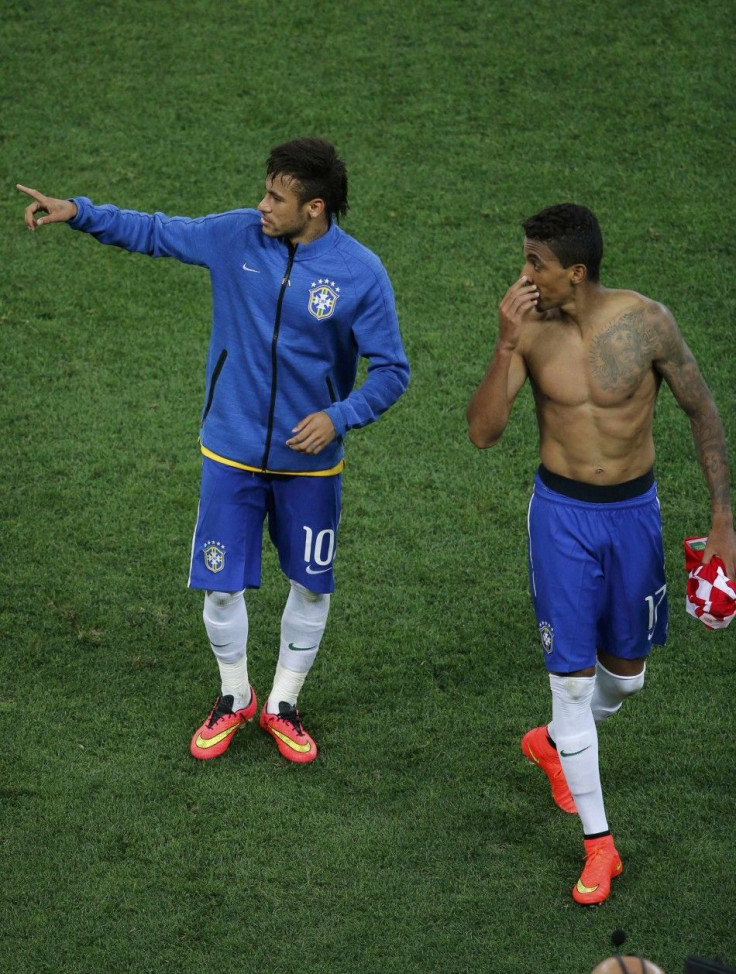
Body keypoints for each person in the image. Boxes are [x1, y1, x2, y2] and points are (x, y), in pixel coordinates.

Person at [19, 137, 409, 764]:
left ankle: (283, 703)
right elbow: (155, 231)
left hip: (310, 464)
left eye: (276, 197)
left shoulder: (361, 273)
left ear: (314, 207)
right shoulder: (235, 237)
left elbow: (392, 370)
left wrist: (339, 417)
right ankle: (235, 696)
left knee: (311, 587)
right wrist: (78, 210)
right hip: (229, 453)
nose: (261, 205)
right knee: (221, 587)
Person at [466, 203, 736, 904]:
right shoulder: (527, 331)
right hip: (560, 519)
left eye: (537, 264)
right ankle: (600, 845)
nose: (525, 276)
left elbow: (702, 410)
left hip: (633, 517)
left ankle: (555, 743)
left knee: (628, 676)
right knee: (574, 684)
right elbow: (483, 434)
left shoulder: (648, 324)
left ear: (575, 272)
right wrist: (502, 346)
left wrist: (723, 520)